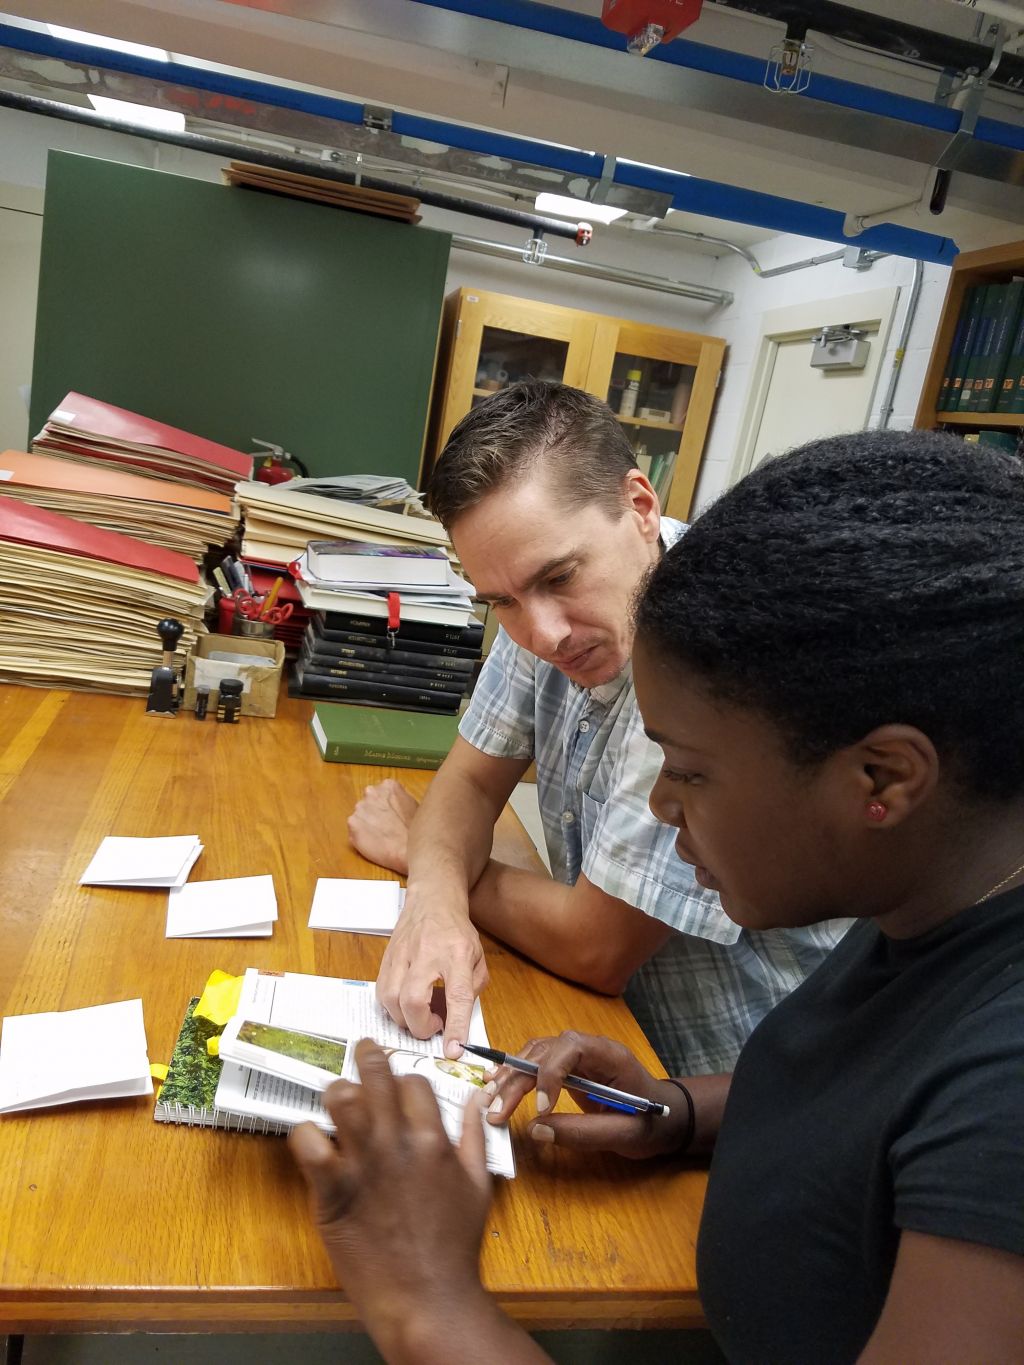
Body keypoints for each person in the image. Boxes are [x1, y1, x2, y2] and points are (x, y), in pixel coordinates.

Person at [291, 428, 1024, 1363]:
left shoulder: (1008, 1093)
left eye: (689, 771)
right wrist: (679, 1111)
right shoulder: (933, 906)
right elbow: (873, 1100)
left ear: (882, 776)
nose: (661, 801)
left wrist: (426, 1300)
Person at [348, 381, 845, 1076]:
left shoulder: (711, 649)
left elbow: (596, 945)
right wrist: (434, 899)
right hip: (621, 1048)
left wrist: (418, 848)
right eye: (503, 601)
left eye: (559, 577)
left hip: (740, 1081)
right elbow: (466, 780)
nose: (542, 633)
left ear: (639, 505)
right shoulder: (542, 610)